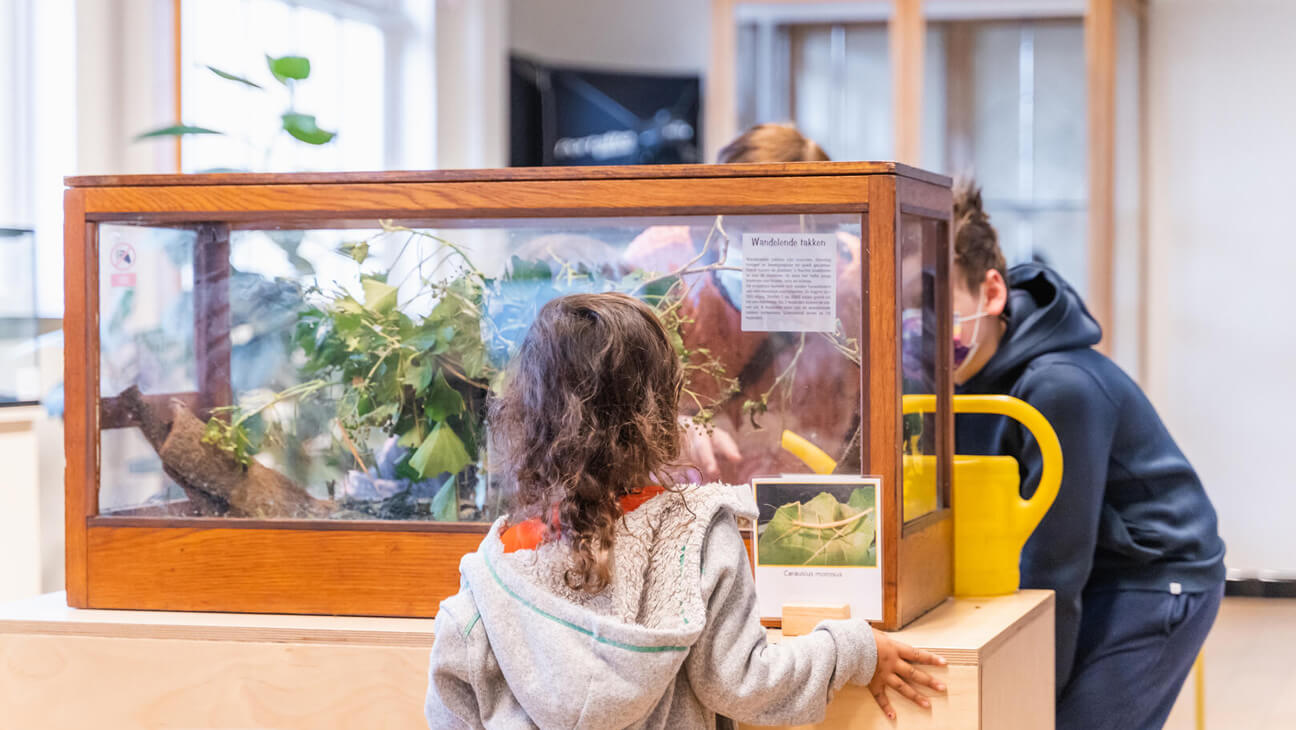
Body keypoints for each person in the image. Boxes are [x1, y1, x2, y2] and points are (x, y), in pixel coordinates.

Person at [426, 293, 946, 728]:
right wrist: (854, 647)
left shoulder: (496, 568)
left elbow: (451, 707)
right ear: (658, 410)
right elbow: (745, 683)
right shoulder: (692, 535)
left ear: (527, 412)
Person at [949, 184, 1226, 729]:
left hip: (1156, 573)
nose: (918, 328)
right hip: (1086, 569)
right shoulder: (951, 377)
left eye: (937, 306)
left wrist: (1031, 700)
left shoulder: (1060, 388)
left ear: (992, 293)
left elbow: (1056, 568)